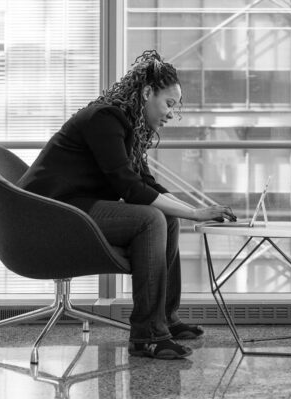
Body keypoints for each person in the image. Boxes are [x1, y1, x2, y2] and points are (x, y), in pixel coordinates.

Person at [18, 50, 236, 360]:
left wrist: (194, 209)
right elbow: (129, 188)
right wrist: (195, 213)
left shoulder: (126, 124)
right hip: (47, 214)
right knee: (151, 219)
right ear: (147, 93)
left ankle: (164, 320)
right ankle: (147, 335)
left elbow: (144, 183)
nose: (172, 114)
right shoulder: (104, 118)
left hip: (75, 208)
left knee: (165, 217)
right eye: (169, 104)